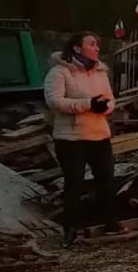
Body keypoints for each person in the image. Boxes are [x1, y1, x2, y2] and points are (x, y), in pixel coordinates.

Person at [44, 32, 119, 247]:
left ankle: (110, 221)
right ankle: (71, 228)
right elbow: (55, 101)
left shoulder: (100, 72)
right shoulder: (59, 73)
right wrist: (88, 104)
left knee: (106, 179)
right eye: (92, 44)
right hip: (71, 138)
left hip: (99, 134)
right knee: (74, 183)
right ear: (77, 49)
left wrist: (105, 107)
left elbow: (110, 98)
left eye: (97, 44)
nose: (97, 48)